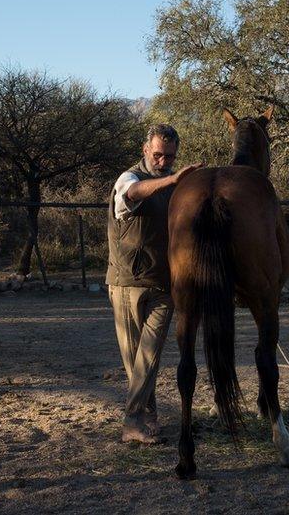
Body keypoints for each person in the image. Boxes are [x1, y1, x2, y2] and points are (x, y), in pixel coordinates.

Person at [106, 124, 203, 444]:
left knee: (148, 355)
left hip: (163, 284)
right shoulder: (129, 177)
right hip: (127, 283)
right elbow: (131, 194)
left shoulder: (176, 188)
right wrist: (173, 180)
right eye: (158, 155)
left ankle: (133, 421)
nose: (163, 161)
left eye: (170, 157)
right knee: (136, 359)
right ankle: (145, 416)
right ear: (145, 150)